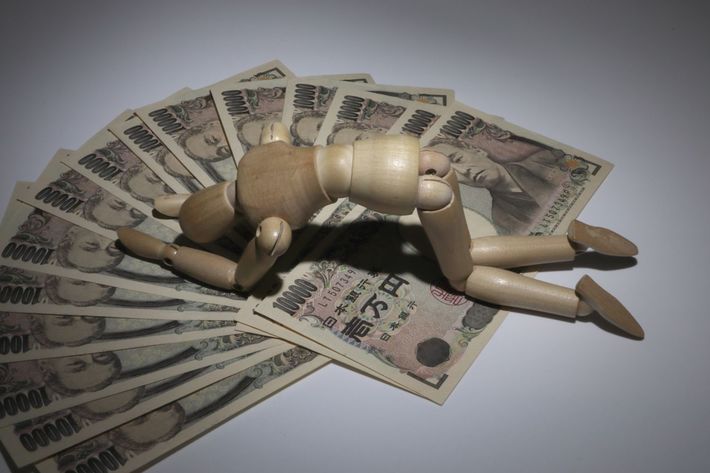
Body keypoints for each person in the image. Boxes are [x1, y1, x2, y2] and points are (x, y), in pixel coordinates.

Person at [425, 135, 579, 235]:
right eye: (451, 173)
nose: (465, 171)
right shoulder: (503, 219)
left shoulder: (548, 160)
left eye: (458, 159)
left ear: (475, 150)